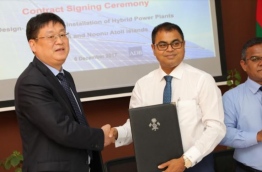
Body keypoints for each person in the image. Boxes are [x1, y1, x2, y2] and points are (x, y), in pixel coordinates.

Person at [108, 22, 226, 172]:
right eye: (163, 45)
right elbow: (138, 126)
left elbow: (216, 128)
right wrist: (117, 133)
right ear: (153, 49)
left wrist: (186, 160)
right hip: (157, 165)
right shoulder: (143, 85)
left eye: (175, 43)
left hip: (196, 164)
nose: (170, 49)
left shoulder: (203, 80)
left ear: (183, 45)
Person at [15, 12, 111, 172]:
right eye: (51, 36)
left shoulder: (65, 76)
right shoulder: (30, 82)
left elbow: (76, 121)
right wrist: (101, 136)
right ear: (33, 45)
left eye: (62, 34)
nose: (59, 41)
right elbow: (62, 130)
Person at [220, 37, 262, 172]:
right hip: (249, 169)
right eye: (255, 59)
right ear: (244, 65)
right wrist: (257, 136)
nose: (261, 63)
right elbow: (223, 134)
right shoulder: (231, 97)